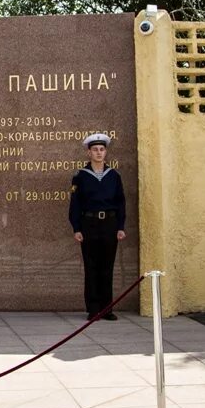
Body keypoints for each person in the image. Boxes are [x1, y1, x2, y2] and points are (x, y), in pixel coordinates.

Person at [69, 132, 126, 321]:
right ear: (89, 153)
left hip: (109, 224)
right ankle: (93, 309)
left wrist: (120, 226)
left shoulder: (114, 176)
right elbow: (75, 204)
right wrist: (77, 228)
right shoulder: (80, 176)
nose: (99, 153)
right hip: (89, 224)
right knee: (91, 266)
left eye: (102, 149)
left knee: (107, 267)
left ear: (106, 152)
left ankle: (107, 309)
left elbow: (120, 203)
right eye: (95, 150)